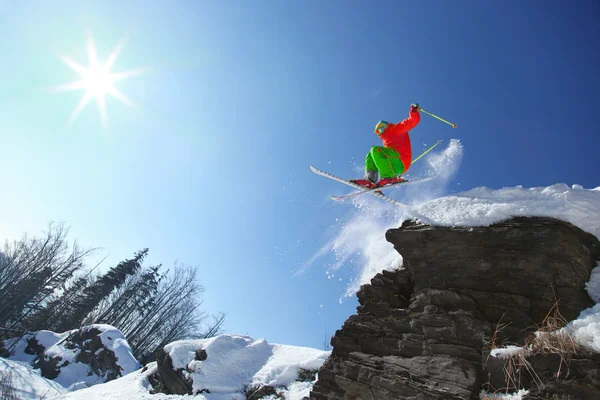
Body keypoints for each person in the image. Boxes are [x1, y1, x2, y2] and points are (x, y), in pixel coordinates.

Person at [351, 103, 421, 189]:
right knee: (370, 154)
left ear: (386, 126)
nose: (380, 132)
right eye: (377, 132)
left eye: (381, 129)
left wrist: (414, 111)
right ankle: (370, 181)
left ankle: (389, 178)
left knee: (375, 150)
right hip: (395, 166)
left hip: (402, 161)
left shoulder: (396, 129)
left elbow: (412, 122)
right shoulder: (386, 142)